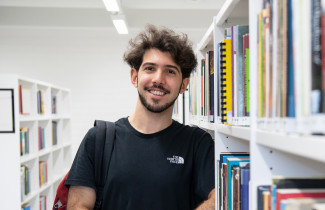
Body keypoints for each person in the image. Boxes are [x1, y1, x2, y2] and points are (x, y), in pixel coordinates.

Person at [65, 24, 215, 210]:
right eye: (150, 68)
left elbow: (218, 199)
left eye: (170, 71)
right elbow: (78, 205)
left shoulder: (197, 142)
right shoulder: (98, 138)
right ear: (134, 76)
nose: (158, 79)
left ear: (183, 85)